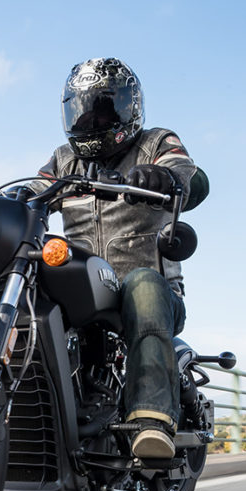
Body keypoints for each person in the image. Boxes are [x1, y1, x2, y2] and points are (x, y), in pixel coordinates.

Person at [37, 57, 209, 461]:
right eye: (82, 111)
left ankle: (151, 420)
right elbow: (34, 189)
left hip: (151, 288)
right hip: (86, 287)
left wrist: (163, 178)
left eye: (103, 109)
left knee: (143, 284)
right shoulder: (64, 160)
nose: (91, 121)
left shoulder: (156, 142)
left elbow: (189, 174)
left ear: (128, 107)